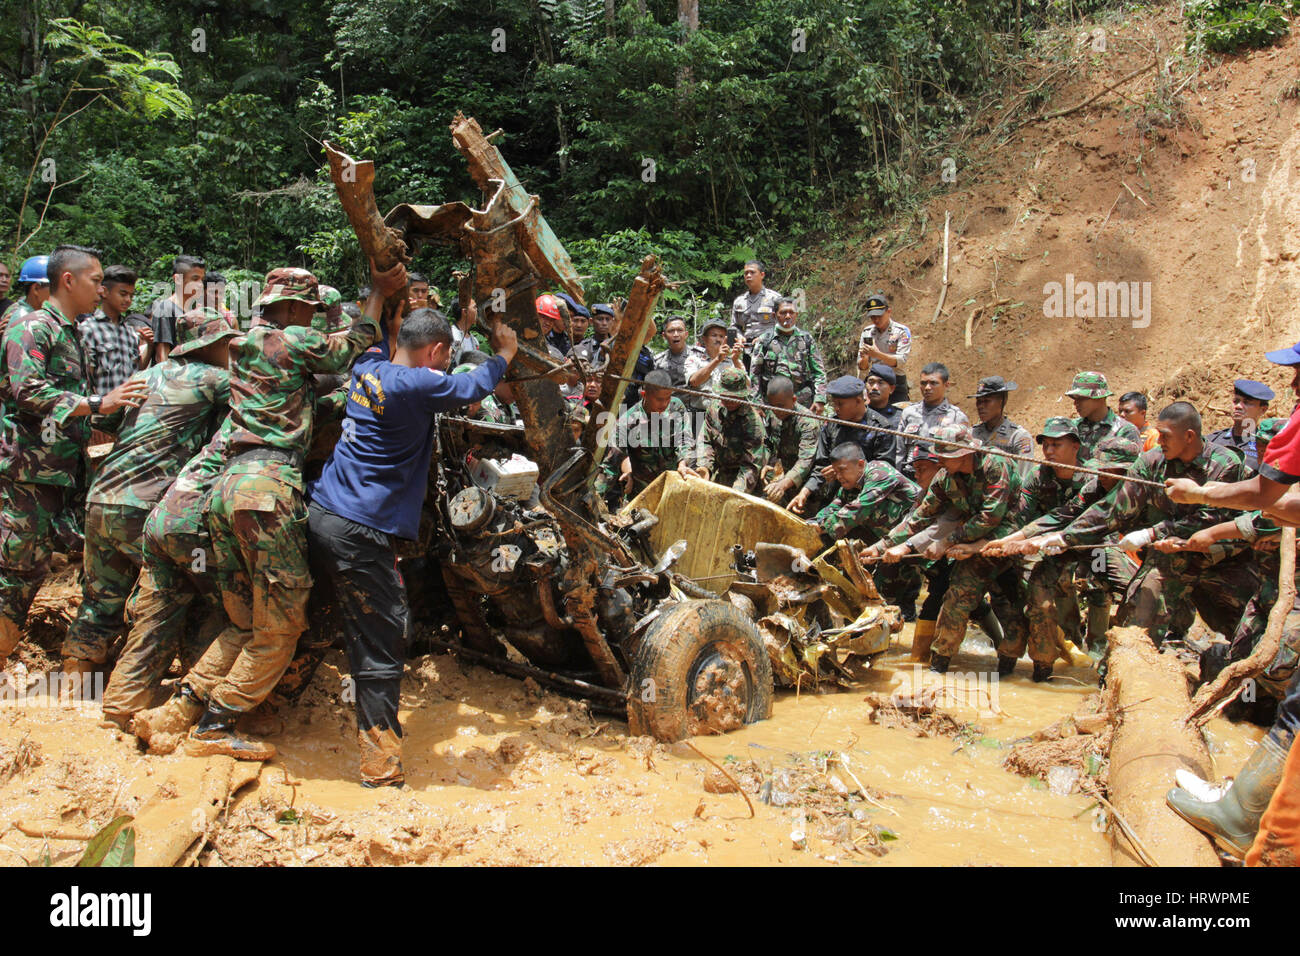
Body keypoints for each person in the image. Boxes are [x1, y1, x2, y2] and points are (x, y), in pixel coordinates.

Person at [171, 261, 400, 761]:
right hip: (268, 487)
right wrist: (379, 295)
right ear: (294, 307)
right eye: (310, 309)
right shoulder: (290, 340)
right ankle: (215, 725)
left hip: (227, 487)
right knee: (282, 624)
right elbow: (351, 341)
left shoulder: (242, 346)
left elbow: (300, 392)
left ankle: (179, 709)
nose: (312, 317)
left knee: (247, 621)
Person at [307, 308, 516, 787]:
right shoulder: (417, 384)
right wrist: (504, 352)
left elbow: (377, 339)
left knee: (317, 618)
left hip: (324, 515)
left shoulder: (367, 368)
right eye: (443, 360)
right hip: (361, 529)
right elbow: (470, 388)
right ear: (438, 352)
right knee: (382, 645)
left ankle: (237, 710)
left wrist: (385, 305)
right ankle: (380, 768)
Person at [74, 309, 237, 722]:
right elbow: (255, 412)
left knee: (99, 601)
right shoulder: (214, 380)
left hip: (101, 499)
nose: (233, 351)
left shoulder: (146, 375)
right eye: (227, 343)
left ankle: (73, 700)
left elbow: (105, 420)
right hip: (148, 507)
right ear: (210, 345)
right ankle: (153, 701)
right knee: (174, 595)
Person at [0, 245, 148, 685]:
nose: (102, 289)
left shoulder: (75, 332)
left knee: (39, 563)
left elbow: (74, 406)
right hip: (28, 468)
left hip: (62, 471)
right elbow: (27, 391)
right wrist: (97, 402)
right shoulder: (33, 327)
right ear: (68, 280)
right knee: (15, 567)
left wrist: (113, 418)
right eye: (96, 281)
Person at [1047, 402, 1258, 648]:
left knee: (1247, 632)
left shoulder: (1225, 463)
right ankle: (1117, 676)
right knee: (1134, 626)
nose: (1160, 442)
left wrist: (1150, 533)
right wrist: (1066, 537)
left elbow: (1211, 518)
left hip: (1222, 560)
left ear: (1189, 436)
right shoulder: (1152, 461)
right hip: (1169, 558)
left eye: (1166, 436)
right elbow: (1115, 506)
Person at [864, 422, 1028, 675]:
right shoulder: (945, 477)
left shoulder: (996, 466)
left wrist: (945, 542)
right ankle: (939, 666)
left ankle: (1012, 665)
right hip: (968, 543)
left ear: (963, 454)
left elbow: (990, 517)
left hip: (1007, 540)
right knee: (957, 596)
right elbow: (922, 515)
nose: (939, 460)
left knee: (1011, 604)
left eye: (944, 455)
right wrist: (883, 546)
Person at [981, 417, 1092, 679]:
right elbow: (1021, 515)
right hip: (1038, 547)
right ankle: (1033, 667)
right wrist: (1008, 543)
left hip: (1085, 547)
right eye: (1046, 445)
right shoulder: (1038, 475)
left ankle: (1085, 650)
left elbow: (1083, 521)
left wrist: (1028, 541)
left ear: (1075, 446)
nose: (1049, 451)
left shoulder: (1091, 477)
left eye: (1057, 445)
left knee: (1085, 595)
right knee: (1023, 596)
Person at [788, 375, 897, 516]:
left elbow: (884, 475)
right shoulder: (831, 426)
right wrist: (804, 492)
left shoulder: (881, 429)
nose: (836, 409)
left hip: (867, 505)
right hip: (833, 500)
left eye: (841, 404)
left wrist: (847, 471)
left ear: (858, 401)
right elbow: (821, 466)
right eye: (834, 404)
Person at [595, 370, 694, 504]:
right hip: (641, 495)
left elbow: (685, 438)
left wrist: (683, 462)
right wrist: (595, 497)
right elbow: (611, 464)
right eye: (659, 399)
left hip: (673, 491)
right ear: (644, 394)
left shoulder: (676, 407)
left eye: (668, 398)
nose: (664, 404)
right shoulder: (627, 422)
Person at [681, 367, 764, 493]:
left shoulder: (753, 423)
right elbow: (705, 439)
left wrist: (735, 492)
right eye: (725, 396)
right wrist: (704, 467)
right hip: (718, 473)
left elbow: (750, 467)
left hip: (742, 479)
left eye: (733, 397)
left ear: (742, 395)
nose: (728, 401)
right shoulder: (714, 408)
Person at [79, 265, 149, 403]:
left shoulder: (130, 332)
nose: (128, 300)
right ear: (104, 292)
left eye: (131, 295)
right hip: (101, 412)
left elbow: (137, 369)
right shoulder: (88, 329)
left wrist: (150, 346)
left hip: (130, 411)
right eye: (123, 294)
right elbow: (86, 379)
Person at [749, 298, 826, 413]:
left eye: (791, 312)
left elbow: (819, 372)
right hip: (772, 405)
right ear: (774, 315)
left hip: (802, 403)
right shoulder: (764, 340)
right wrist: (757, 403)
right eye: (783, 313)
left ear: (797, 315)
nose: (788, 316)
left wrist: (819, 399)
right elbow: (755, 375)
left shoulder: (806, 340)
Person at [898, 362, 968, 473]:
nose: (927, 388)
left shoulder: (957, 417)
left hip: (939, 478)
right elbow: (899, 451)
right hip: (910, 476)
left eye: (933, 383)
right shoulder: (909, 412)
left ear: (946, 385)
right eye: (923, 383)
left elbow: (961, 456)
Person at [760, 376, 819, 505]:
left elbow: (806, 461)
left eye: (780, 406)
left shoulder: (807, 422)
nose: (776, 410)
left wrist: (783, 484)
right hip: (784, 478)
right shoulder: (773, 414)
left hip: (807, 486)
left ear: (793, 400)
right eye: (772, 406)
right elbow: (769, 443)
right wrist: (767, 463)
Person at [1065, 371, 1139, 458]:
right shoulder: (1072, 427)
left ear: (1100, 397)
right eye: (1074, 398)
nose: (1075, 403)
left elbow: (1133, 467)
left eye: (1081, 398)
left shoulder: (1125, 430)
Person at [856, 291, 913, 402]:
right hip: (874, 380)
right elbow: (862, 367)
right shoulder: (867, 332)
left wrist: (877, 354)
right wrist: (865, 358)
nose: (876, 320)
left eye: (879, 316)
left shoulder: (901, 331)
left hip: (895, 381)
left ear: (889, 312)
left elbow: (901, 361)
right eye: (873, 317)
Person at [149, 254, 205, 363]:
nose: (200, 285)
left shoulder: (193, 311)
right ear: (178, 279)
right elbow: (162, 357)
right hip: (174, 377)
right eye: (195, 279)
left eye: (202, 279)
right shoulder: (166, 309)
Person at [1206, 379, 1273, 470]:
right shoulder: (1212, 441)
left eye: (1247, 402)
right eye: (1236, 401)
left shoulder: (1266, 448)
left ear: (1263, 409)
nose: (1238, 406)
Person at [969, 376, 1033, 469]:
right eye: (978, 401)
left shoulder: (1018, 437)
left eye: (987, 401)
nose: (980, 406)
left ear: (1003, 401)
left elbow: (1023, 478)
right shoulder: (972, 434)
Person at [683, 318, 744, 412]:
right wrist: (717, 360)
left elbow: (746, 386)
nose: (718, 339)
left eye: (722, 336)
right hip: (699, 413)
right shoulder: (693, 359)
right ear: (704, 338)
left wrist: (736, 361)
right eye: (714, 335)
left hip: (725, 414)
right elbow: (693, 382)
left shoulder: (733, 361)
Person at [729, 259, 782, 351]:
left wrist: (764, 337)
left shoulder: (774, 298)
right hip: (747, 348)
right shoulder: (739, 302)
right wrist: (739, 337)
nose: (748, 275)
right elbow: (733, 326)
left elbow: (782, 325)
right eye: (746, 273)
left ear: (762, 275)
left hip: (770, 348)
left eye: (752, 272)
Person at [0, 256, 50, 329]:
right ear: (36, 288)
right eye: (0, 275)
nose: (4, 280)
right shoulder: (19, 314)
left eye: (7, 276)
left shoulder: (9, 306)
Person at [652, 315, 692, 390]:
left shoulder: (700, 356)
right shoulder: (658, 362)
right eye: (671, 331)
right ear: (664, 336)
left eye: (680, 330)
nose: (676, 334)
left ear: (686, 334)